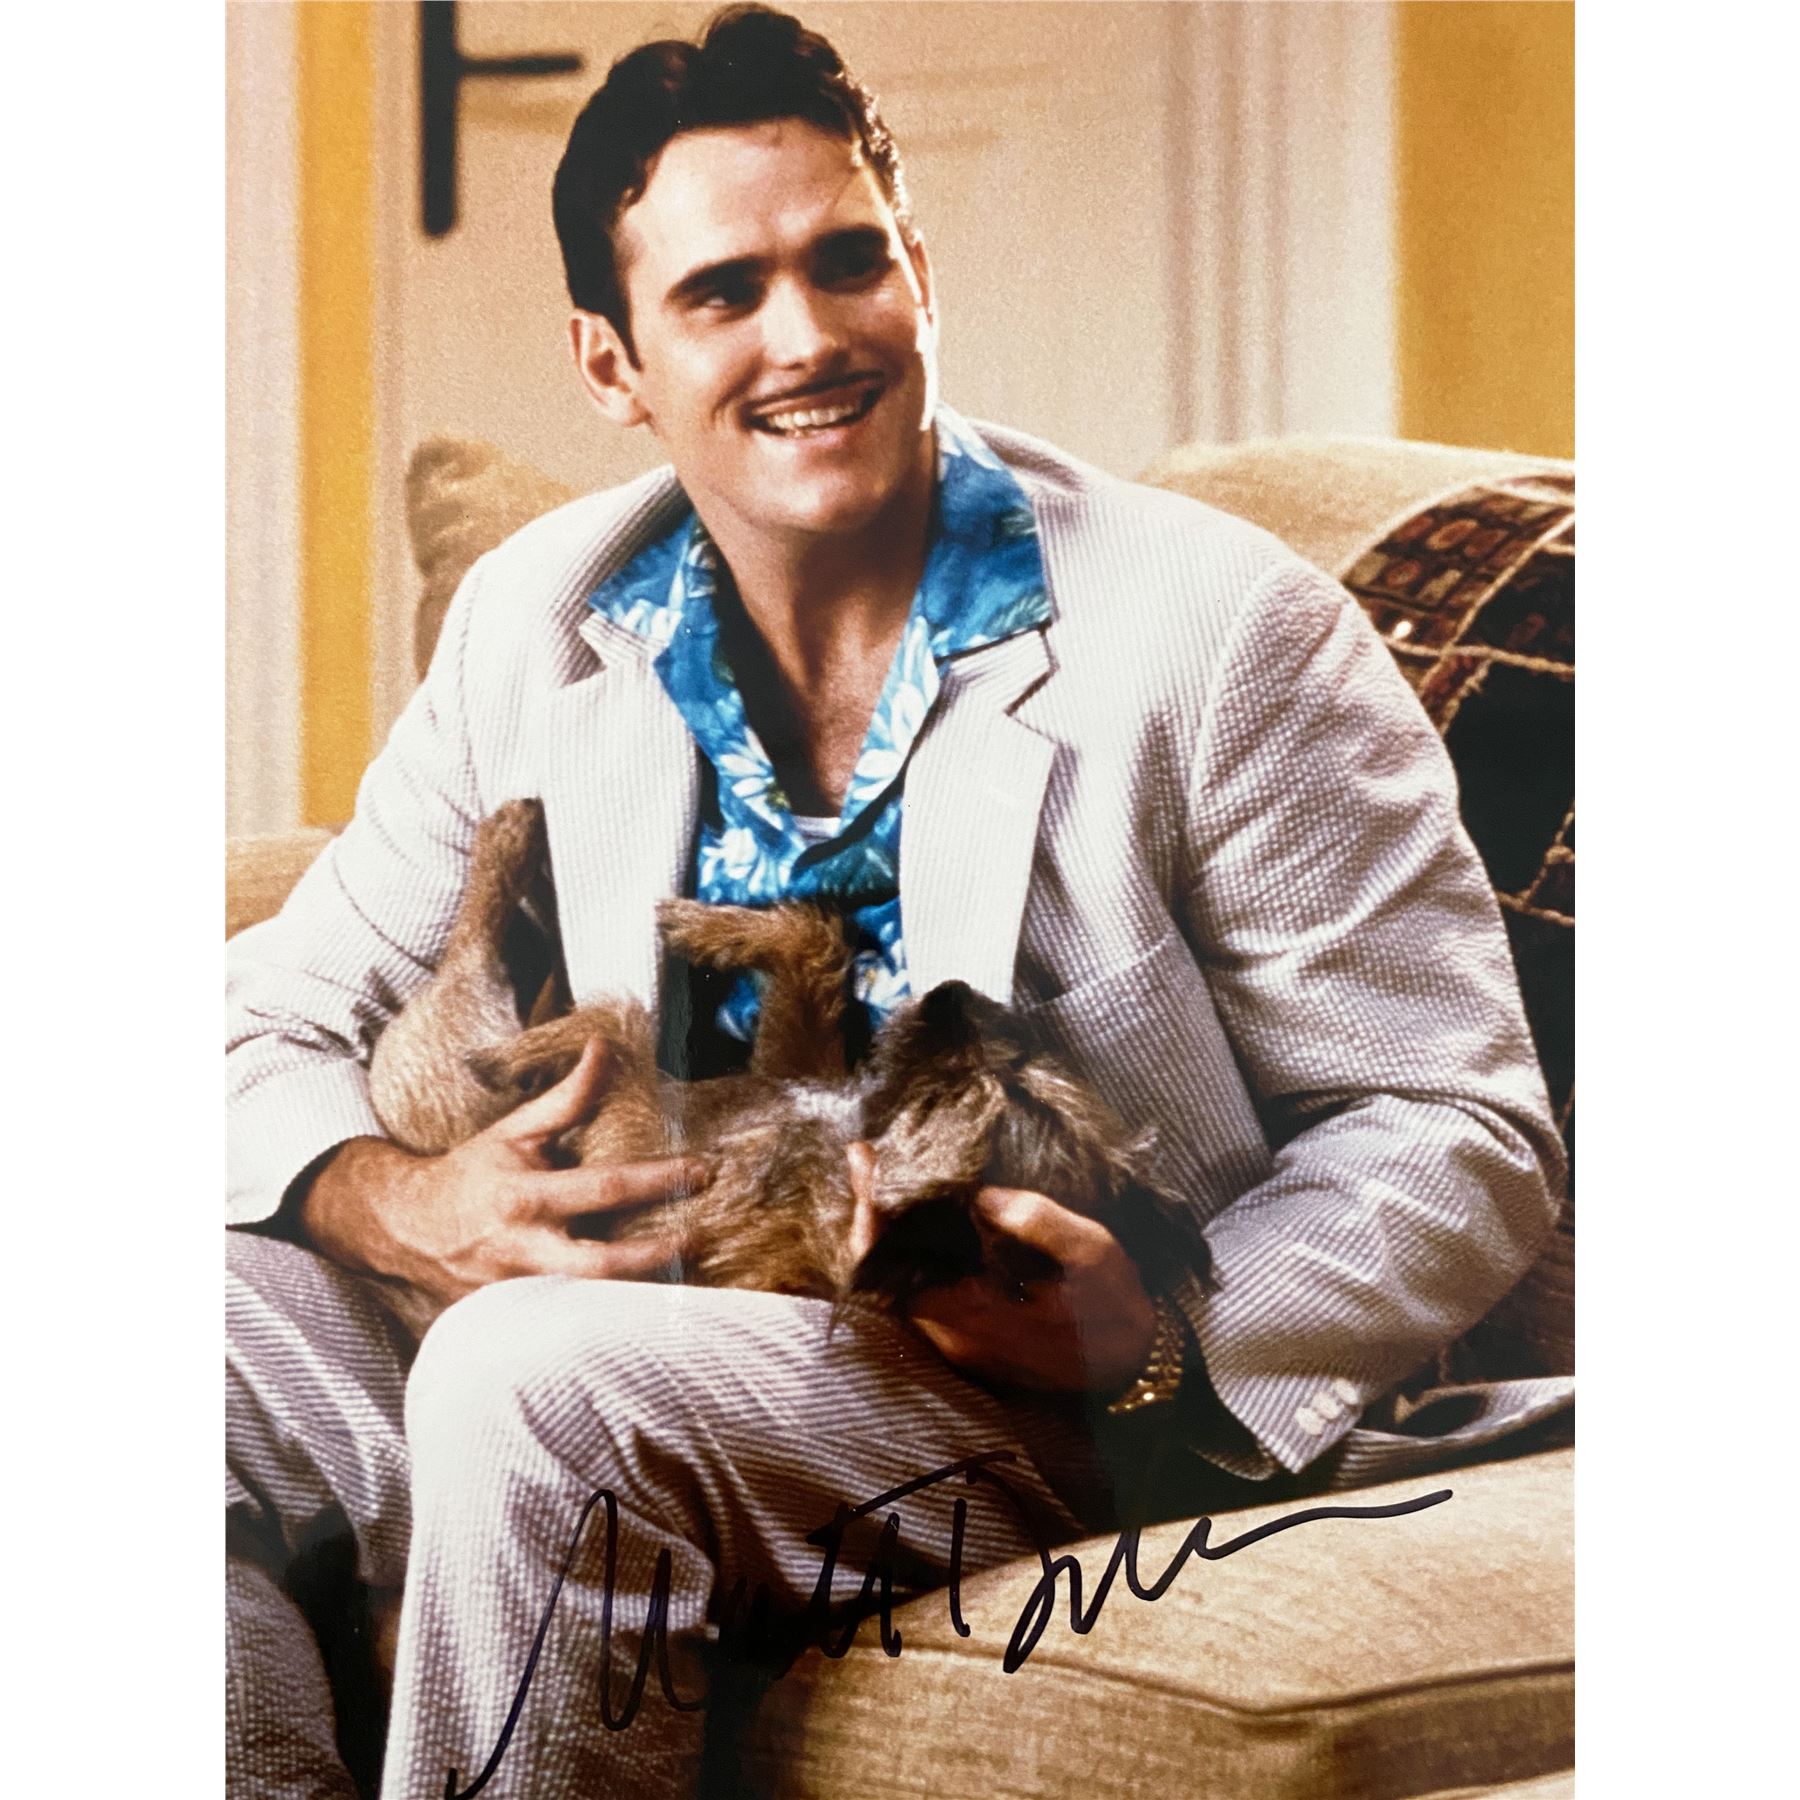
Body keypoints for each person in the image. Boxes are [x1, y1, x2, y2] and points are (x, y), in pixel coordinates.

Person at [225, 8, 1570, 1796]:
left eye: (848, 261)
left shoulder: (1220, 636)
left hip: (1043, 1393)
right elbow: (264, 1016)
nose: (809, 336)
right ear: (613, 363)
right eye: (725, 293)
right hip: (632, 1304)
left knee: (528, 1379)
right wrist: (400, 1201)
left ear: (919, 270)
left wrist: (1159, 1339)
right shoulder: (540, 618)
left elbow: (1457, 1126)